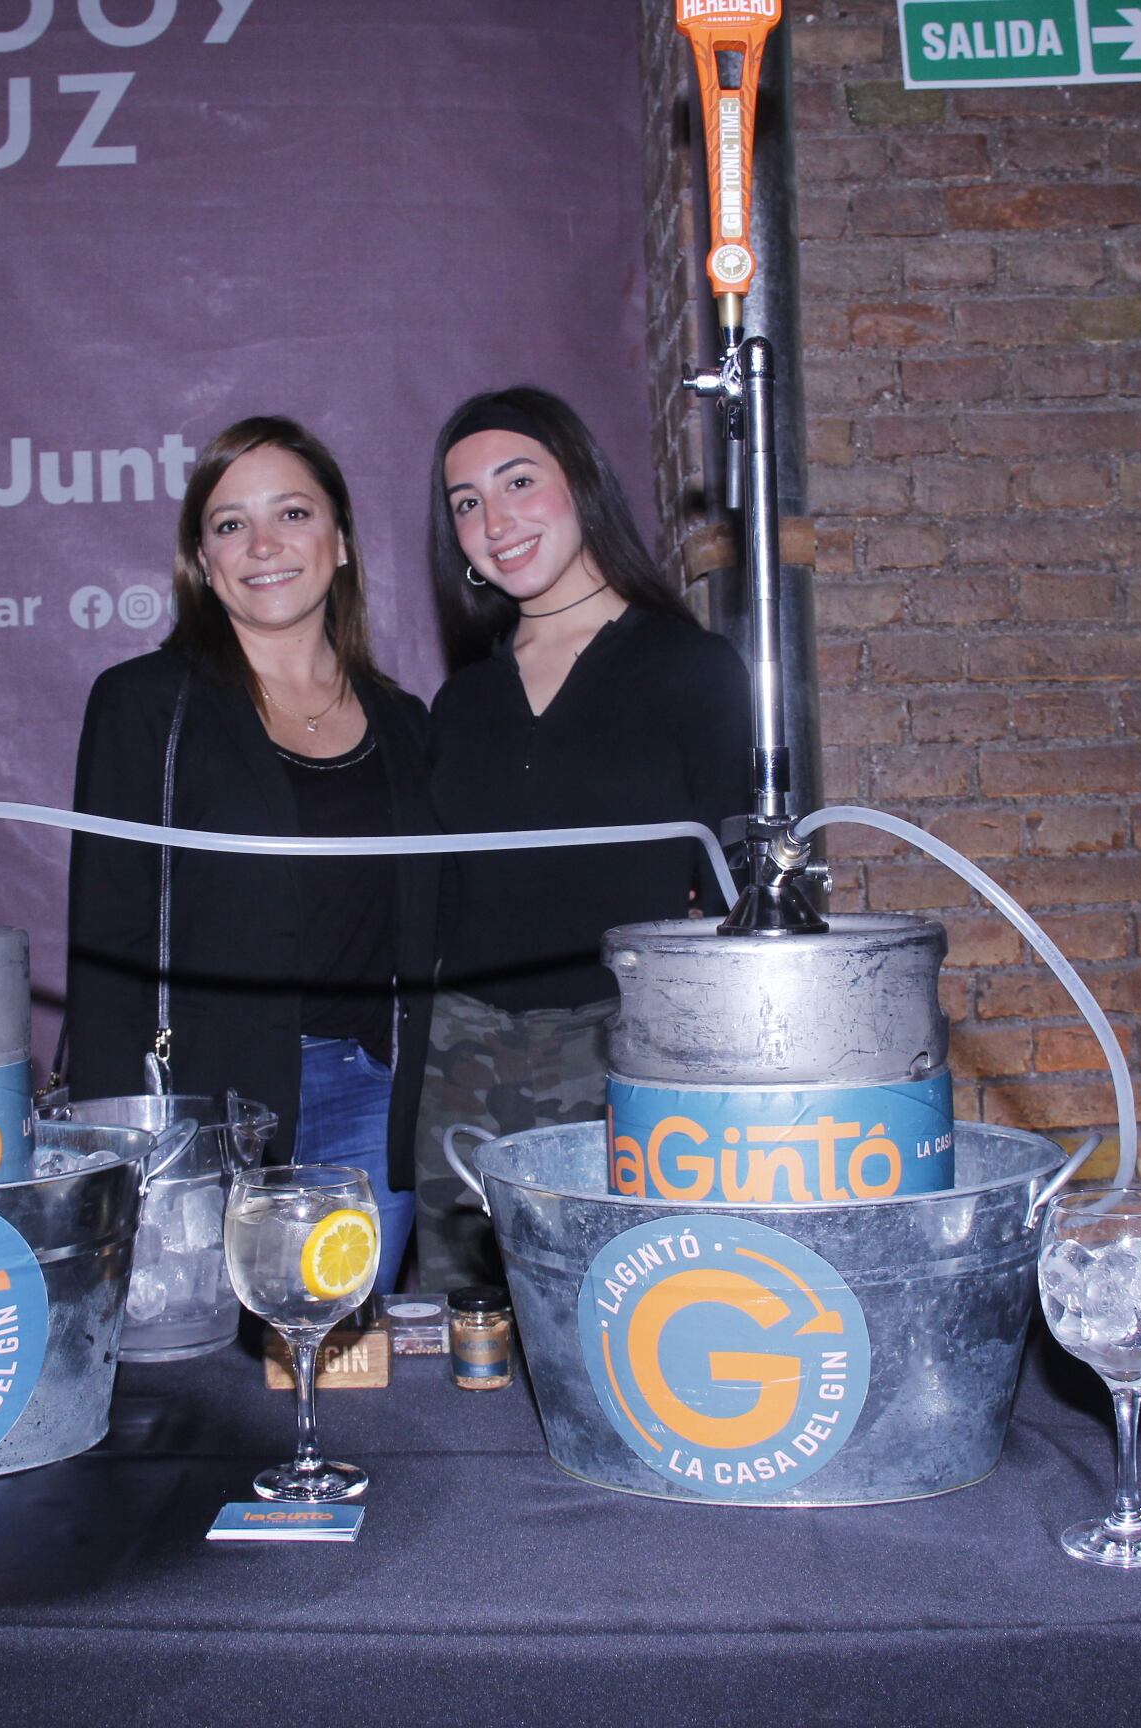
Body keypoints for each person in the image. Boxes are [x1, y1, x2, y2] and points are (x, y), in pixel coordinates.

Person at [66, 417, 433, 1292]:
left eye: (293, 514)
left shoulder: (408, 725)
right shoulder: (146, 705)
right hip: (200, 1109)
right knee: (208, 1402)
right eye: (231, 524)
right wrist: (121, 1135)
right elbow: (105, 931)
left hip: (370, 1101)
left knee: (344, 1383)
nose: (263, 544)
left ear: (339, 542)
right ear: (202, 557)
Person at [412, 387, 751, 1291]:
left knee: (626, 1309)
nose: (496, 519)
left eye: (519, 481)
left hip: (621, 1055)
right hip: (459, 1059)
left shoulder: (692, 669)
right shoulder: (461, 702)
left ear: (583, 486)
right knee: (463, 1338)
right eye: (468, 503)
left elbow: (737, 900)